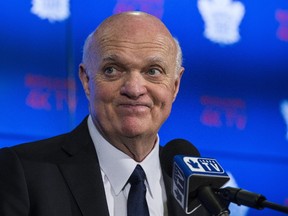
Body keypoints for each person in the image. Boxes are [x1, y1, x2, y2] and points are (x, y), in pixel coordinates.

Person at [0, 11, 209, 216]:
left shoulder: (203, 196)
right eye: (112, 70)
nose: (134, 89)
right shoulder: (22, 172)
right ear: (86, 80)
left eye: (153, 71)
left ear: (175, 85)